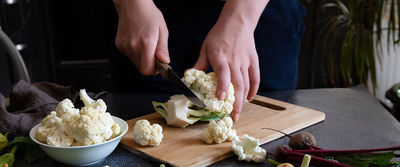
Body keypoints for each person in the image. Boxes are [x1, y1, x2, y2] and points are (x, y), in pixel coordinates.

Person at [109, 0, 306, 121]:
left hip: (257, 14)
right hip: (149, 12)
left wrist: (242, 17)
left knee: (268, 126)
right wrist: (130, 3)